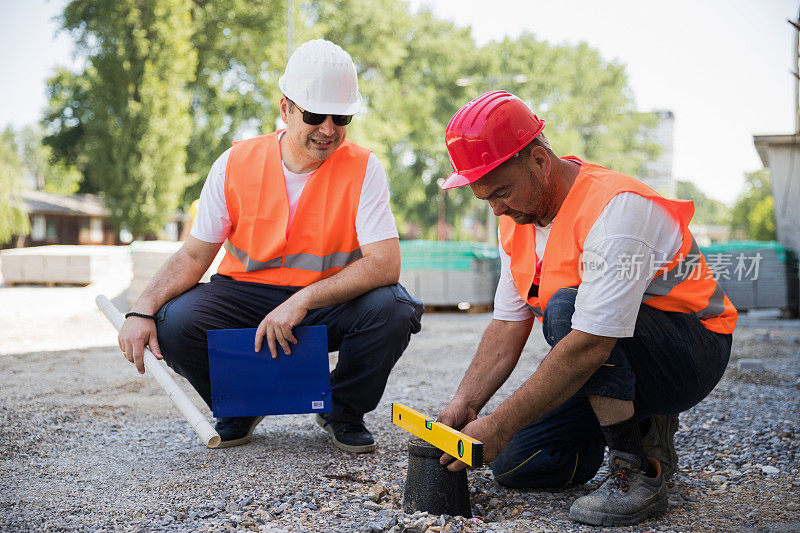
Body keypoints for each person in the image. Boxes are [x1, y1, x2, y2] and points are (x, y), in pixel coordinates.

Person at [436, 91, 735, 526]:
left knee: (565, 312)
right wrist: (465, 404)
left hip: (691, 351)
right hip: (613, 346)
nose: (496, 208)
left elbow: (591, 343)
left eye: (501, 192)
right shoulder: (515, 222)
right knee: (518, 463)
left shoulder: (615, 209)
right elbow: (505, 328)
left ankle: (635, 470)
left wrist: (499, 424)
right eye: (486, 199)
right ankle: (640, 421)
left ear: (539, 160)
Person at [118, 39, 423, 453]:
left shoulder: (364, 168)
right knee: (174, 321)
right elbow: (193, 254)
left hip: (323, 301)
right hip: (244, 296)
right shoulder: (234, 163)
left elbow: (385, 264)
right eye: (315, 115)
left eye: (341, 116)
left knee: (393, 308)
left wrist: (303, 301)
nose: (329, 129)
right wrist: (141, 309)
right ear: (285, 109)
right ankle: (240, 406)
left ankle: (342, 410)